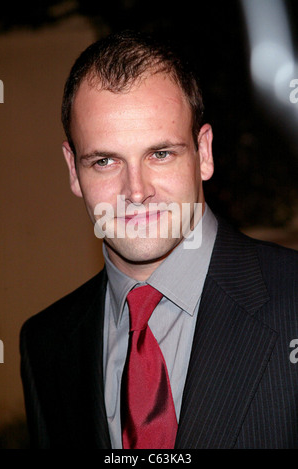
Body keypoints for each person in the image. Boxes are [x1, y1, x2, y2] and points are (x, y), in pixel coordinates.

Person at [20, 30, 298, 449]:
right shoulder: (45, 344)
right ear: (74, 171)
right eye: (105, 161)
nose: (136, 191)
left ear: (204, 153)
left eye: (160, 154)